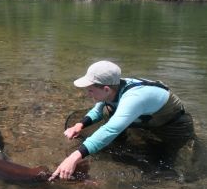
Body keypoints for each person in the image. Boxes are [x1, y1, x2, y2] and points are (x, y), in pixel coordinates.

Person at [49, 60, 194, 181]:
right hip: (148, 118)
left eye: (91, 90)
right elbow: (99, 108)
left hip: (174, 125)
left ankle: (167, 176)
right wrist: (80, 125)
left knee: (162, 164)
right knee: (107, 110)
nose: (87, 94)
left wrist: (74, 157)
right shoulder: (114, 87)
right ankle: (121, 141)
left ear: (106, 89)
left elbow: (111, 129)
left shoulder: (133, 99)